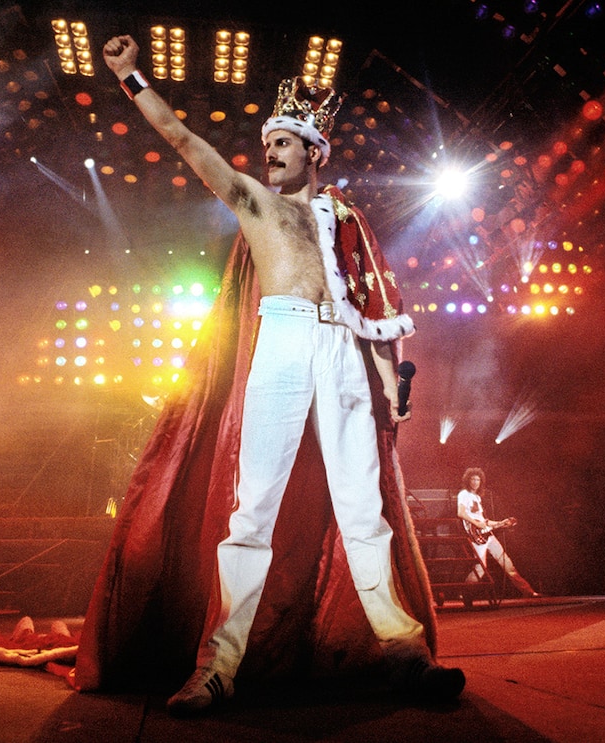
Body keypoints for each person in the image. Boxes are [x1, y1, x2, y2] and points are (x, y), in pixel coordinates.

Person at [70, 34, 464, 715]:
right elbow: (186, 142)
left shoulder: (346, 219)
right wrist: (133, 78)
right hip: (281, 342)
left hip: (343, 351)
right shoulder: (254, 200)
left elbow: (373, 305)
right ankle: (218, 663)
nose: (269, 152)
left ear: (313, 150)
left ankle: (405, 650)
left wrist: (391, 386)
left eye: (282, 143)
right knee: (252, 510)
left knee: (363, 511)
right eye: (267, 143)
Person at [456, 467, 540, 598]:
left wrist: (501, 522)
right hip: (475, 535)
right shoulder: (463, 494)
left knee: (507, 564)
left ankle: (528, 592)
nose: (475, 482)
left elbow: (485, 521)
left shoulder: (477, 497)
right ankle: (464, 593)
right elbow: (460, 513)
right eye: (472, 479)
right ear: (468, 480)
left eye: (478, 479)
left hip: (486, 534)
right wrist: (476, 523)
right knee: (480, 568)